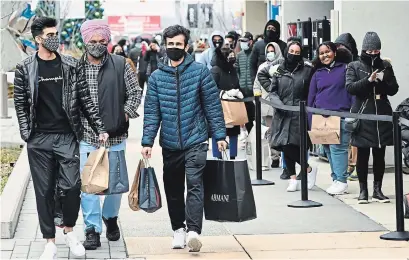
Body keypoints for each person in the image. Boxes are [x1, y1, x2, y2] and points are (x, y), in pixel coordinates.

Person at [14, 16, 108, 259]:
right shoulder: (25, 68)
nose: (54, 38)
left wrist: (99, 127)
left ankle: (68, 230)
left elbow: (85, 98)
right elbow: (21, 104)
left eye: (56, 34)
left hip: (66, 136)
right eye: (50, 35)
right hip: (39, 139)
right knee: (44, 191)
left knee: (72, 186)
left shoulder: (69, 64)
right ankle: (49, 241)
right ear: (38, 39)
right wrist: (27, 133)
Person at [141, 25, 227, 252]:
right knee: (173, 187)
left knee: (195, 185)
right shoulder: (157, 77)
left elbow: (212, 106)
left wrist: (219, 135)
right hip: (170, 143)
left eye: (178, 44)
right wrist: (147, 141)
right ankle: (178, 229)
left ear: (186, 46)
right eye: (170, 44)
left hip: (196, 139)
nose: (174, 48)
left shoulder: (199, 72)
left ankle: (193, 231)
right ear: (164, 46)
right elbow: (152, 112)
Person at [79, 19, 142, 249]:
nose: (97, 44)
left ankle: (111, 217)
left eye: (101, 41)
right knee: (89, 186)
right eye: (92, 41)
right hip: (87, 136)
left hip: (115, 137)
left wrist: (123, 115)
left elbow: (135, 93)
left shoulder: (121, 64)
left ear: (107, 40)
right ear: (85, 42)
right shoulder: (78, 68)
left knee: (114, 185)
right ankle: (92, 229)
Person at [346, 32, 399, 204]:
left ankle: (378, 189)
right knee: (362, 153)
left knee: (380, 153)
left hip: (382, 111)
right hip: (363, 111)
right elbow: (351, 88)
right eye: (370, 50)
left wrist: (382, 81)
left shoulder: (385, 65)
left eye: (376, 50)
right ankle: (363, 191)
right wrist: (368, 81)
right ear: (364, 50)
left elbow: (393, 89)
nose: (373, 53)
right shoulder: (354, 65)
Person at [262, 41, 317, 192]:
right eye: (291, 50)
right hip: (282, 112)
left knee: (295, 145)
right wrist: (279, 105)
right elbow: (272, 91)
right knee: (284, 145)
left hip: (299, 112)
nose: (293, 54)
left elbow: (312, 90)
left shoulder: (307, 69)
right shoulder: (279, 69)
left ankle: (307, 169)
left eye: (297, 52)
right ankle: (293, 178)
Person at [308, 41, 353, 195]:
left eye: (327, 51)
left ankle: (341, 180)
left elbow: (351, 92)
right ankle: (335, 179)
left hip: (340, 115)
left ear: (334, 52)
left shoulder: (345, 69)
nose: (324, 55)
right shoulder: (317, 74)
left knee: (338, 149)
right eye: (321, 53)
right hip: (321, 117)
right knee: (327, 148)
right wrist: (310, 119)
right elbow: (311, 97)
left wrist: (352, 115)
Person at [334, 33, 360, 181]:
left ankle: (354, 165)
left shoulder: (356, 64)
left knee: (354, 138)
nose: (340, 49)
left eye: (342, 46)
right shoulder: (336, 64)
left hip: (354, 104)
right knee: (344, 141)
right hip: (341, 104)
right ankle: (348, 166)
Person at [254, 42, 283, 168]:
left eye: (272, 51)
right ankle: (274, 156)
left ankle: (283, 156)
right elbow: (256, 84)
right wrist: (257, 98)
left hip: (281, 104)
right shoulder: (262, 67)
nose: (270, 53)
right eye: (268, 51)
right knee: (271, 131)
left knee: (281, 130)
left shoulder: (283, 65)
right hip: (266, 104)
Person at [211, 45, 242, 159]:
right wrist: (223, 93)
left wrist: (237, 92)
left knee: (233, 132)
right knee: (217, 132)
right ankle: (217, 157)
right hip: (218, 106)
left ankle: (233, 156)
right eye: (229, 56)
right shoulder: (215, 70)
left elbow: (236, 83)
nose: (232, 58)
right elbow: (211, 88)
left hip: (232, 104)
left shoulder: (232, 69)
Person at [236, 32, 255, 134]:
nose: (242, 43)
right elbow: (237, 70)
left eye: (244, 41)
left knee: (256, 115)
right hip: (243, 91)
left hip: (254, 91)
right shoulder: (239, 55)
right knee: (247, 118)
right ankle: (250, 137)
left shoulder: (255, 54)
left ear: (250, 42)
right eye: (241, 41)